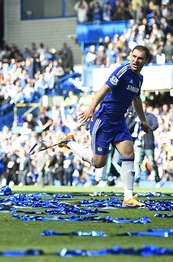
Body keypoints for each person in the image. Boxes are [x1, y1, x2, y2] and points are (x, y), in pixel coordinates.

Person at [60, 45, 152, 207]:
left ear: (146, 61)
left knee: (129, 152)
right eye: (134, 56)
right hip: (104, 120)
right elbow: (104, 88)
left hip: (119, 121)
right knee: (99, 163)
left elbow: (136, 99)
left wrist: (142, 120)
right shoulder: (122, 72)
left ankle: (128, 198)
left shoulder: (139, 79)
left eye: (140, 58)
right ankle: (70, 143)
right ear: (130, 56)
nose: (136, 60)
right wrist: (91, 108)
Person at [133, 103, 160, 185]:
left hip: (148, 144)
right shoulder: (136, 117)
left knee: (152, 162)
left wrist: (147, 130)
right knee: (137, 162)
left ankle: (157, 179)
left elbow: (155, 125)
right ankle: (136, 181)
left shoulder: (151, 116)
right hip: (139, 144)